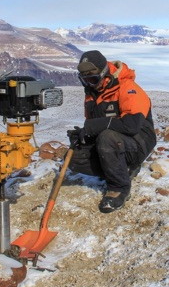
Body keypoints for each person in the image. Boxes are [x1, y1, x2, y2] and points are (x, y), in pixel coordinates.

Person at [67, 50, 156, 213]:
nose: (90, 84)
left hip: (139, 141)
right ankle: (123, 169)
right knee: (73, 157)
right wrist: (83, 134)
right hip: (114, 142)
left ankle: (119, 188)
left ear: (104, 73)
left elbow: (132, 126)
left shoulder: (128, 88)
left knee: (107, 138)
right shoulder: (91, 93)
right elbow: (96, 125)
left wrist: (93, 127)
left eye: (93, 79)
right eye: (85, 81)